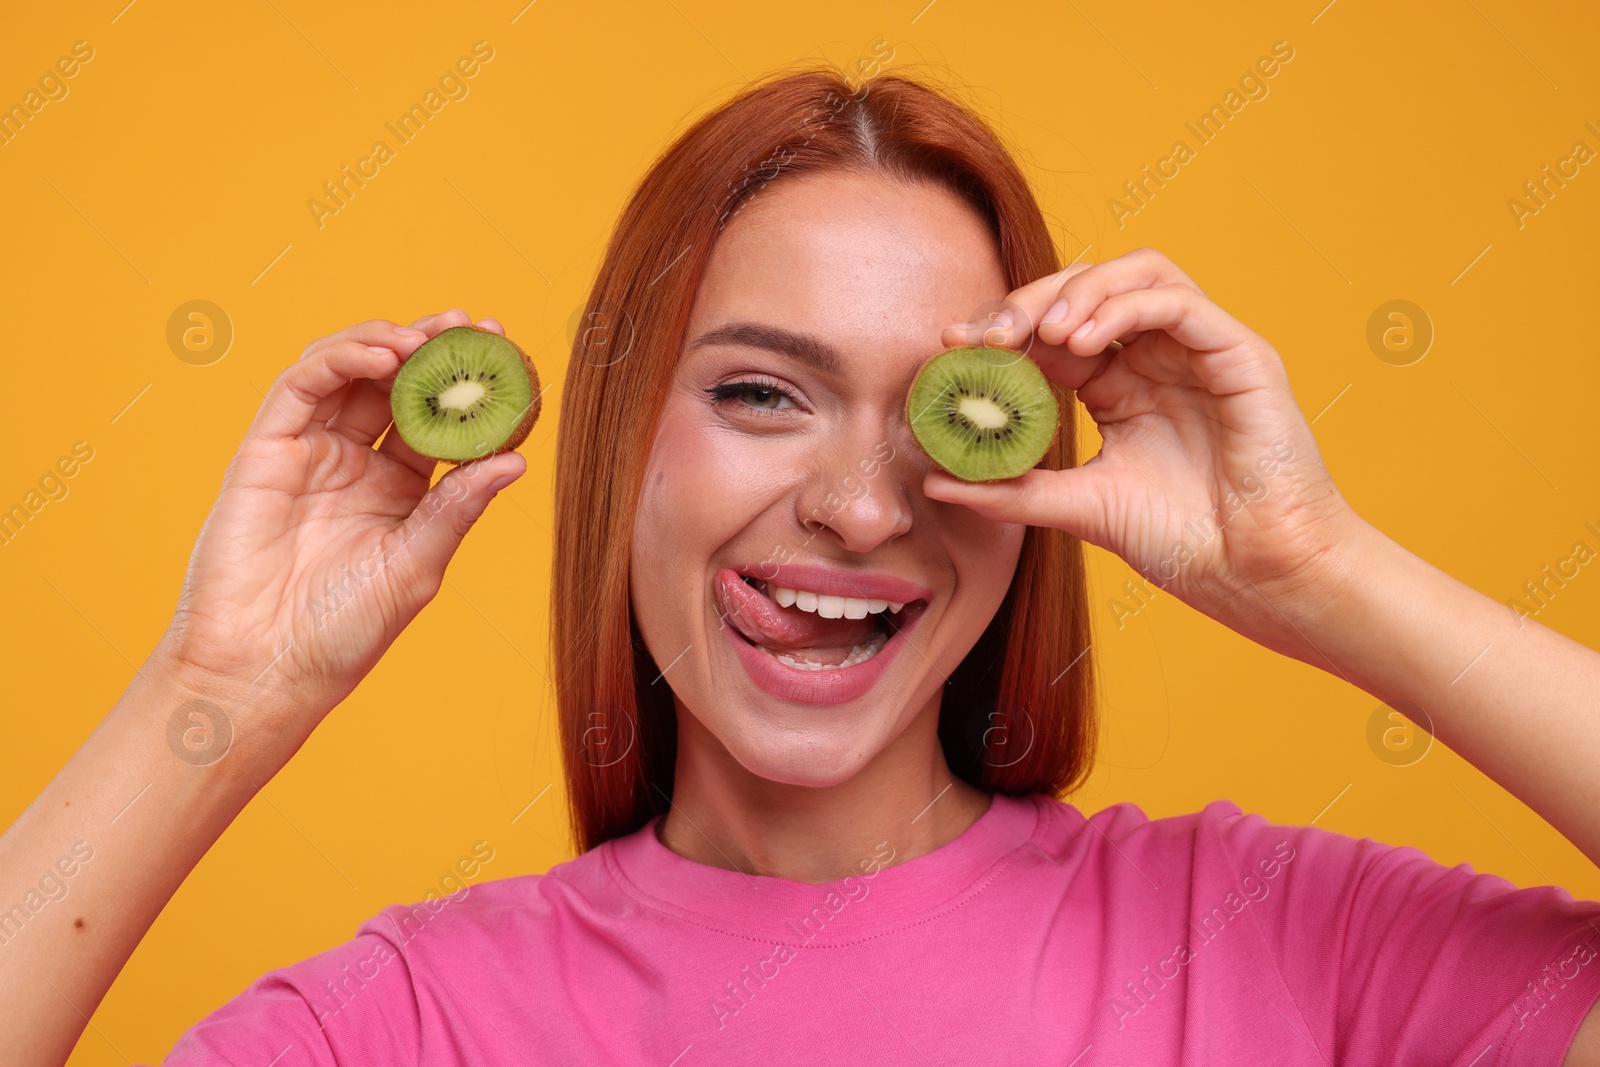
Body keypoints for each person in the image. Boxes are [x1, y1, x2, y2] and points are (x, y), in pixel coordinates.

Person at [5, 64, 1600, 1067]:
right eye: (761, 393)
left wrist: (1315, 569)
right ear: (621, 438)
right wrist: (217, 691)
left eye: (939, 415)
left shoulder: (1264, 940)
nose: (858, 509)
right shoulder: (412, 1024)